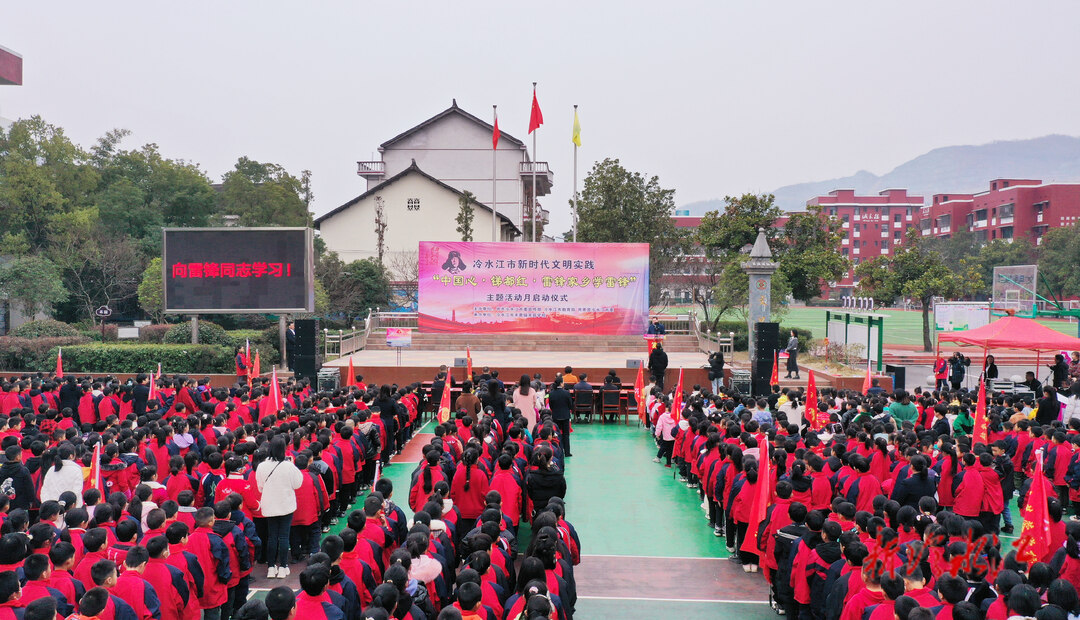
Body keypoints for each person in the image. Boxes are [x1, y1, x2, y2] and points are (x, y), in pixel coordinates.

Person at [256, 437, 304, 579]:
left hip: (270, 505)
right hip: (286, 505)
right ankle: (283, 566)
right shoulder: (289, 466)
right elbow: (297, 484)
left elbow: (260, 487)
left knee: (272, 537)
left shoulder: (262, 466)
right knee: (284, 536)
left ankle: (271, 567)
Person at [547, 379, 573, 456]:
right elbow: (570, 405)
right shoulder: (566, 393)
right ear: (561, 384)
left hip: (555, 416)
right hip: (565, 416)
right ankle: (567, 452)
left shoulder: (551, 393)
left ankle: (559, 451)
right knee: (566, 434)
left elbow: (551, 405)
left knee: (556, 434)